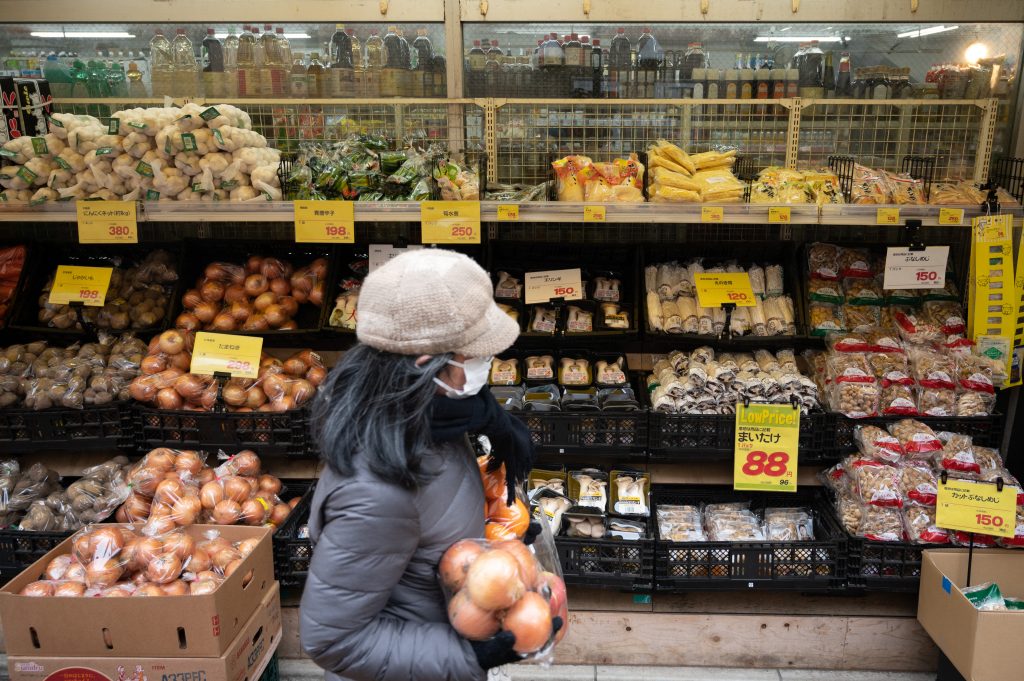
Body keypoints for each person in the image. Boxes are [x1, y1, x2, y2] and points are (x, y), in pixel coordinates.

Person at [300, 249, 548, 681]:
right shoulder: (376, 489)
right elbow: (333, 640)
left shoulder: (431, 422)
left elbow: (427, 528)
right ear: (424, 365)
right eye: (473, 355)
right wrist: (469, 657)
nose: (486, 364)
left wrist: (497, 536)